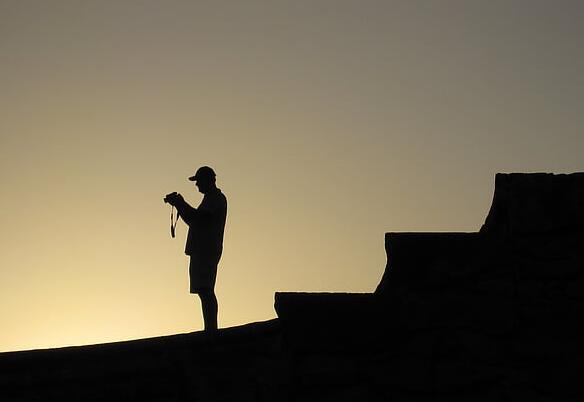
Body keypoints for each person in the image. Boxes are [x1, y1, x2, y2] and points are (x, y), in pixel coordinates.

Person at [164, 166, 227, 332]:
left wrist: (180, 203)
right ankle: (210, 329)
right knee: (203, 290)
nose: (197, 184)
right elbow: (194, 220)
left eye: (199, 181)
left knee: (206, 290)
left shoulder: (216, 198)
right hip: (202, 249)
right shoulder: (210, 199)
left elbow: (200, 220)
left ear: (208, 180)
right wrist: (179, 205)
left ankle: (211, 330)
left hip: (206, 250)